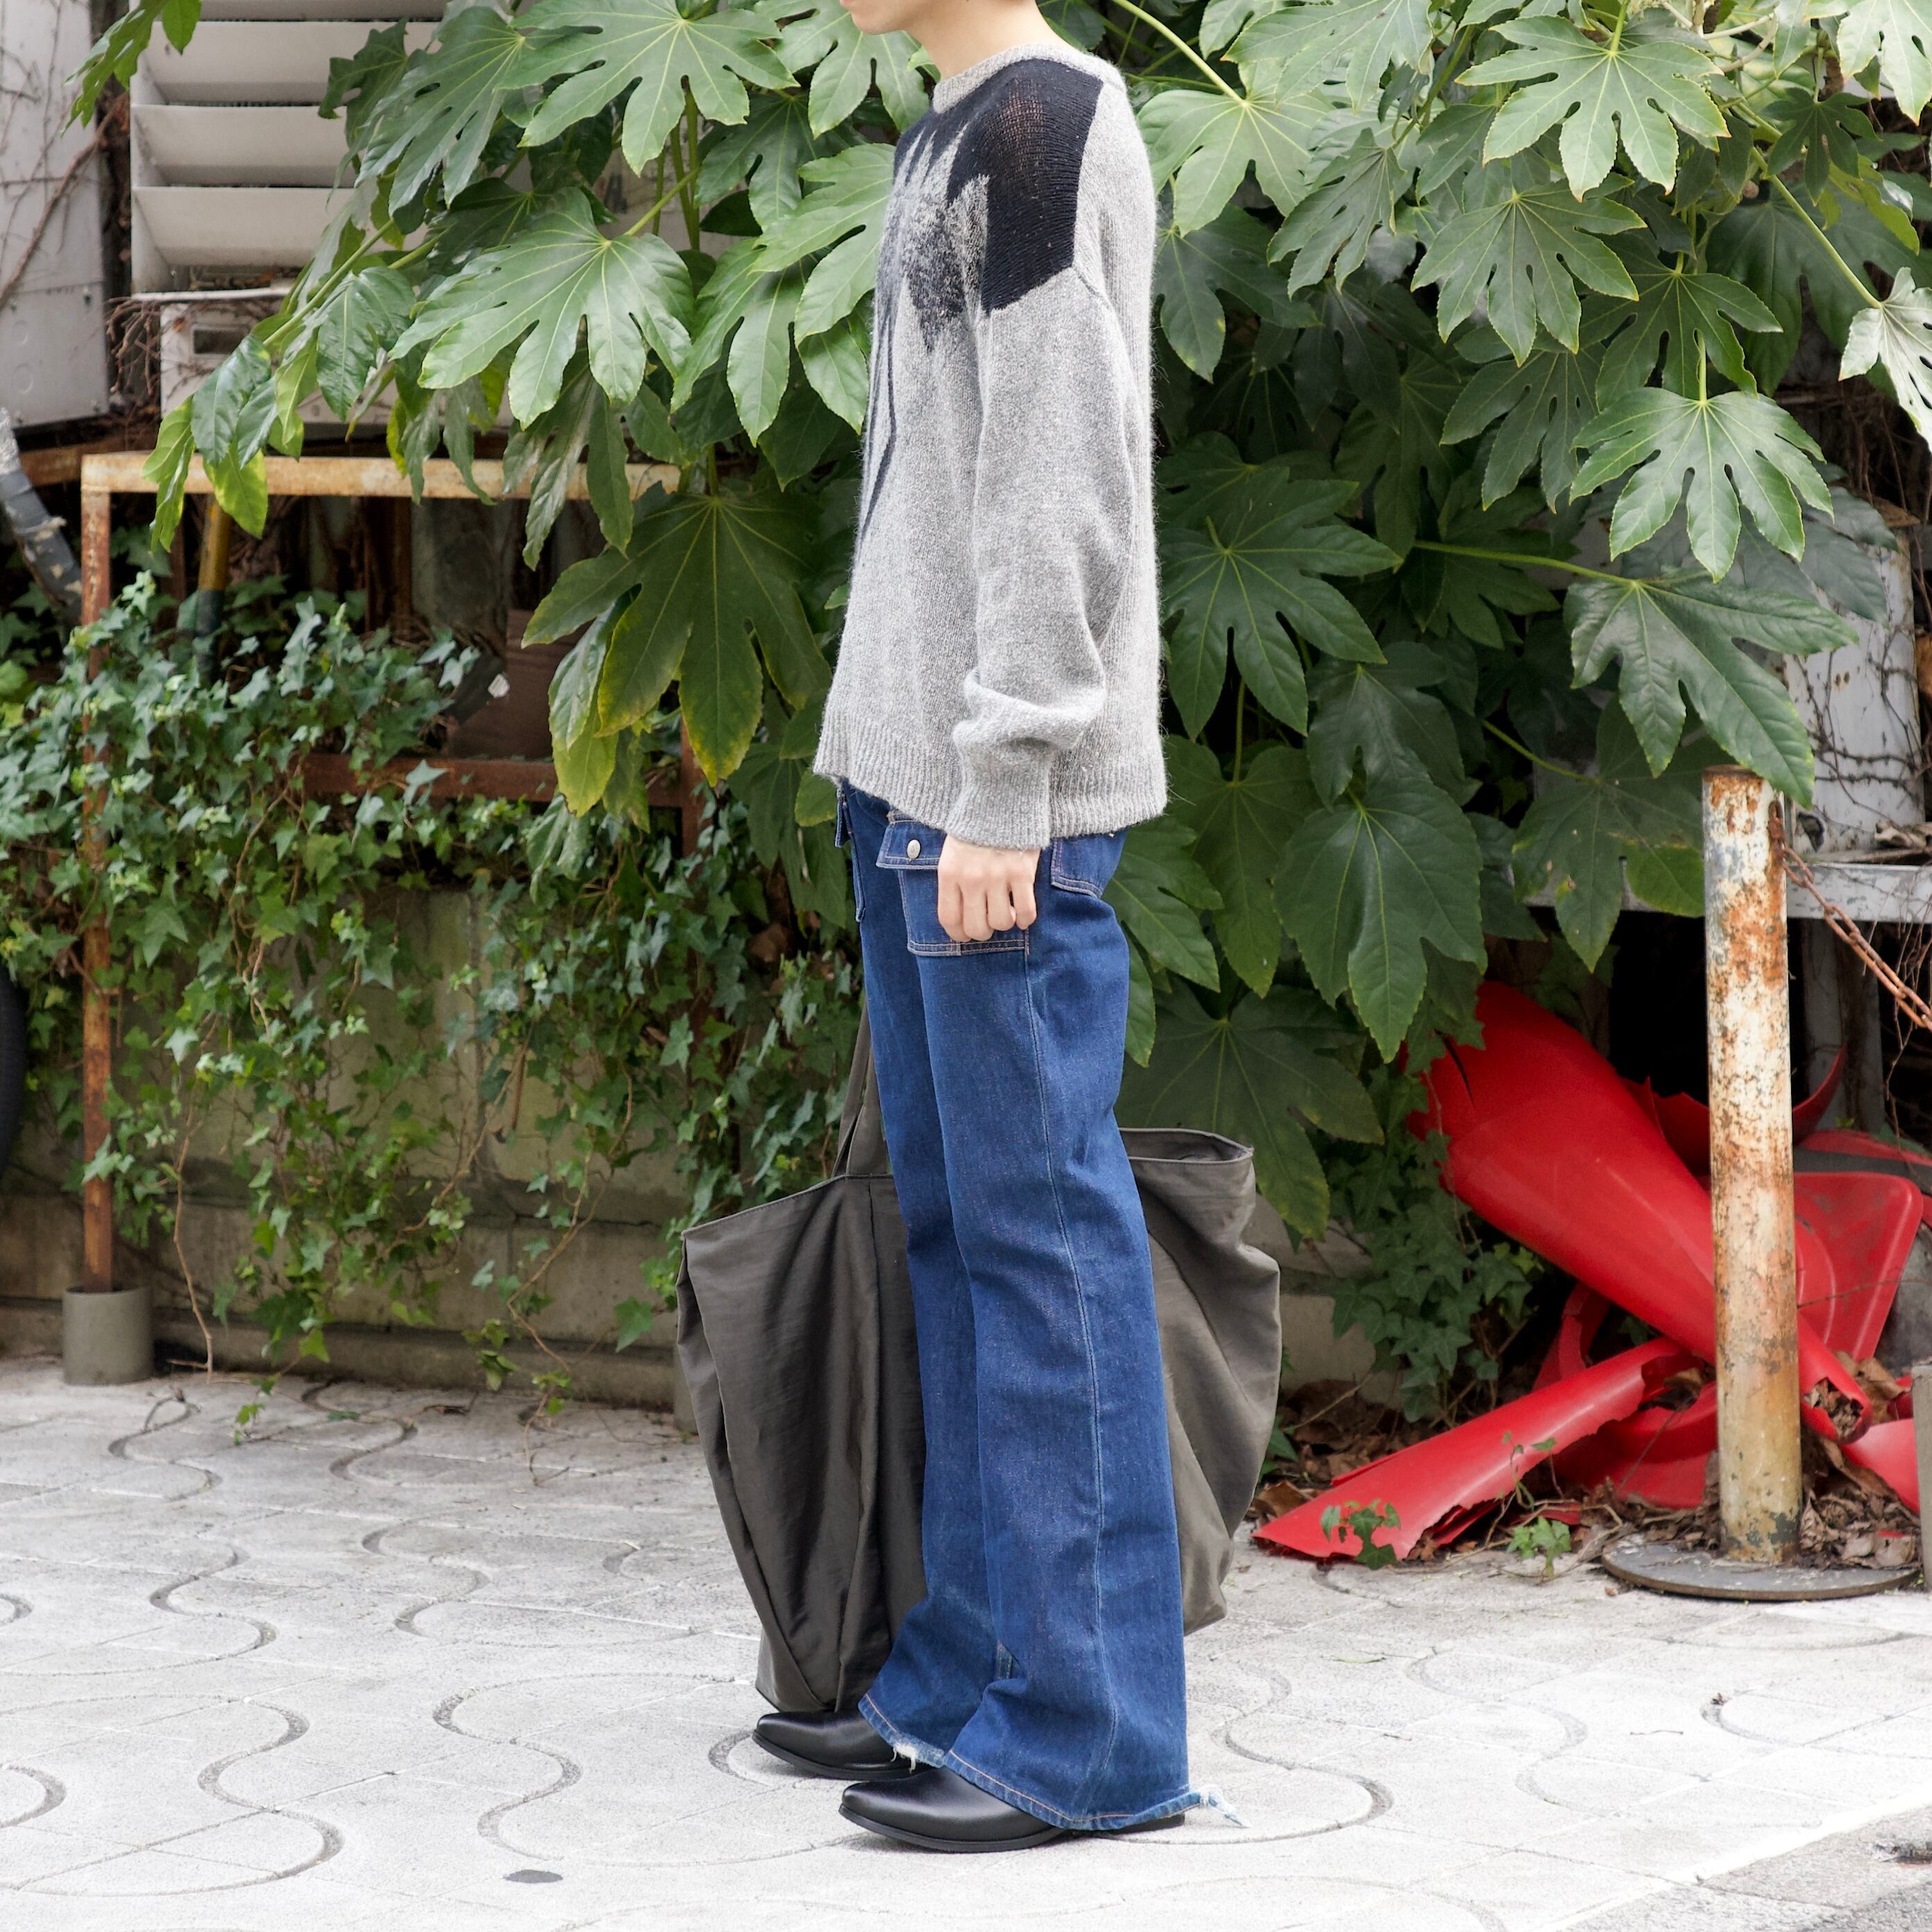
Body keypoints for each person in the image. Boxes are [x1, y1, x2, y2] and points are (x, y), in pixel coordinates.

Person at [753, 0, 1192, 1856]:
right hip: (912, 779)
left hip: (989, 800)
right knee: (958, 1237)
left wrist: (1006, 779)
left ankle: (1090, 1737)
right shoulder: (958, 122)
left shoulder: (1043, 129)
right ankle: (965, 1673)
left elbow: (1058, 477)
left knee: (1041, 1249)